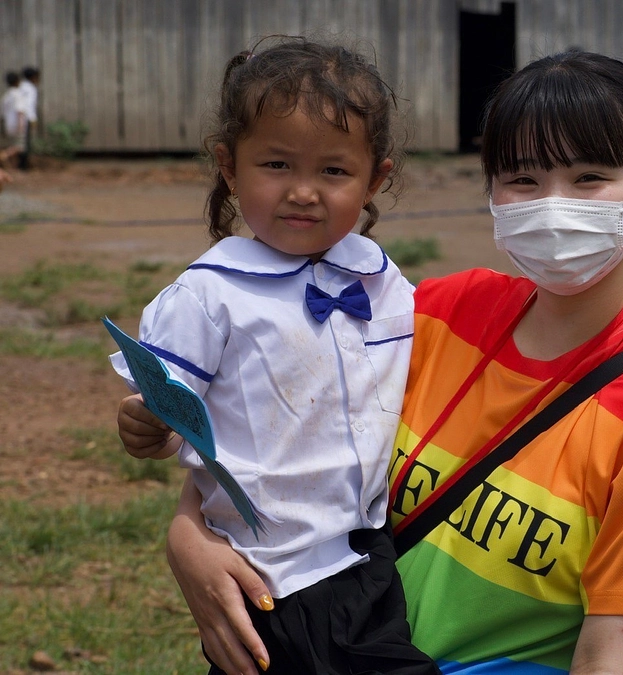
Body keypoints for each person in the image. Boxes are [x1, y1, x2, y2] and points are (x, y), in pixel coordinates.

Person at [120, 49, 623, 674]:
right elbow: (281, 433)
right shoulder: (434, 314)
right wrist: (188, 536)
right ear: (492, 191)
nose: (553, 204)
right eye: (523, 179)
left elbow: (611, 659)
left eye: (589, 178)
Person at [111, 36, 437, 675]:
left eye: (334, 172)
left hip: (371, 554)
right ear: (230, 166)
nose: (304, 193)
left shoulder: (380, 277)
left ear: (377, 179)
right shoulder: (209, 294)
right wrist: (142, 423)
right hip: (276, 573)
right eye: (278, 165)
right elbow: (160, 405)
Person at [1, 71, 27, 169]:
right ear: (17, 81)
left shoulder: (6, 96)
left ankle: (12, 166)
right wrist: (21, 125)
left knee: (13, 144)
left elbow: (2, 114)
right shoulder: (18, 95)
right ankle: (4, 155)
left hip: (8, 125)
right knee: (19, 147)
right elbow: (19, 111)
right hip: (17, 124)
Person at [17, 66, 39, 170]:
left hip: (16, 118)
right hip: (25, 118)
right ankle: (23, 165)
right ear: (33, 77)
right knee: (25, 142)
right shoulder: (31, 88)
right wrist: (33, 119)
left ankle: (20, 163)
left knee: (19, 141)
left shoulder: (20, 86)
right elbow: (29, 105)